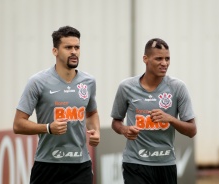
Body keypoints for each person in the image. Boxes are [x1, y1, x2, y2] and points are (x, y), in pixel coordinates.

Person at [13, 26, 100, 184]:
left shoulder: (89, 82)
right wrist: (48, 128)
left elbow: (92, 113)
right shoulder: (38, 82)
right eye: (68, 47)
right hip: (48, 166)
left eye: (77, 47)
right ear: (55, 51)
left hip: (80, 166)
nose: (74, 51)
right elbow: (18, 124)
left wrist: (96, 131)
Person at [111, 38, 197, 184]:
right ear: (145, 59)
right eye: (159, 58)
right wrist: (124, 130)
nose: (164, 63)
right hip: (135, 163)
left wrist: (170, 119)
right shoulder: (126, 87)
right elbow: (116, 122)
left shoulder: (178, 87)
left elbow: (192, 130)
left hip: (165, 164)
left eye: (167, 58)